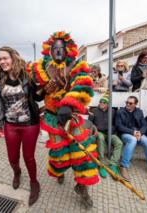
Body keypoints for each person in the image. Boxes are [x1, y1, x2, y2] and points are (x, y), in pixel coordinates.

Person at [27, 31, 98, 209]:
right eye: (55, 49)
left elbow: (83, 84)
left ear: (68, 50)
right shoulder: (41, 68)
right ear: (49, 51)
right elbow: (36, 96)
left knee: (81, 152)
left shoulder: (76, 66)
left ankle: (82, 187)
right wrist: (44, 90)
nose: (58, 51)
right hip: (52, 118)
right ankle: (60, 170)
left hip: (71, 117)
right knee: (59, 154)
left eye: (61, 48)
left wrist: (67, 104)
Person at [0, 46, 43, 206]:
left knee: (29, 157)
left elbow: (37, 98)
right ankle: (17, 173)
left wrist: (46, 89)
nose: (3, 61)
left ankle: (34, 182)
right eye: (0, 59)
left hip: (29, 125)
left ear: (13, 58)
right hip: (10, 125)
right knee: (12, 158)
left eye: (5, 57)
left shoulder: (26, 77)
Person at [115, 96, 147, 183]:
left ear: (135, 104)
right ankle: (123, 166)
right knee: (132, 140)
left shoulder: (139, 111)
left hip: (138, 133)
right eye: (126, 102)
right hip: (125, 133)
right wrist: (133, 132)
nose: (127, 104)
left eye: (130, 103)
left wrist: (140, 133)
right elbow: (119, 126)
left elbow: (144, 125)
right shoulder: (120, 112)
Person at [88, 95, 123, 178]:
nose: (101, 103)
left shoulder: (113, 111)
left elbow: (116, 123)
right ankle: (101, 164)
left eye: (104, 102)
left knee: (119, 143)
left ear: (107, 104)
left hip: (111, 133)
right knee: (100, 138)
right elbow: (90, 123)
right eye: (100, 102)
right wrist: (94, 128)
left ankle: (113, 164)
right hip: (99, 132)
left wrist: (112, 129)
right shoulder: (94, 111)